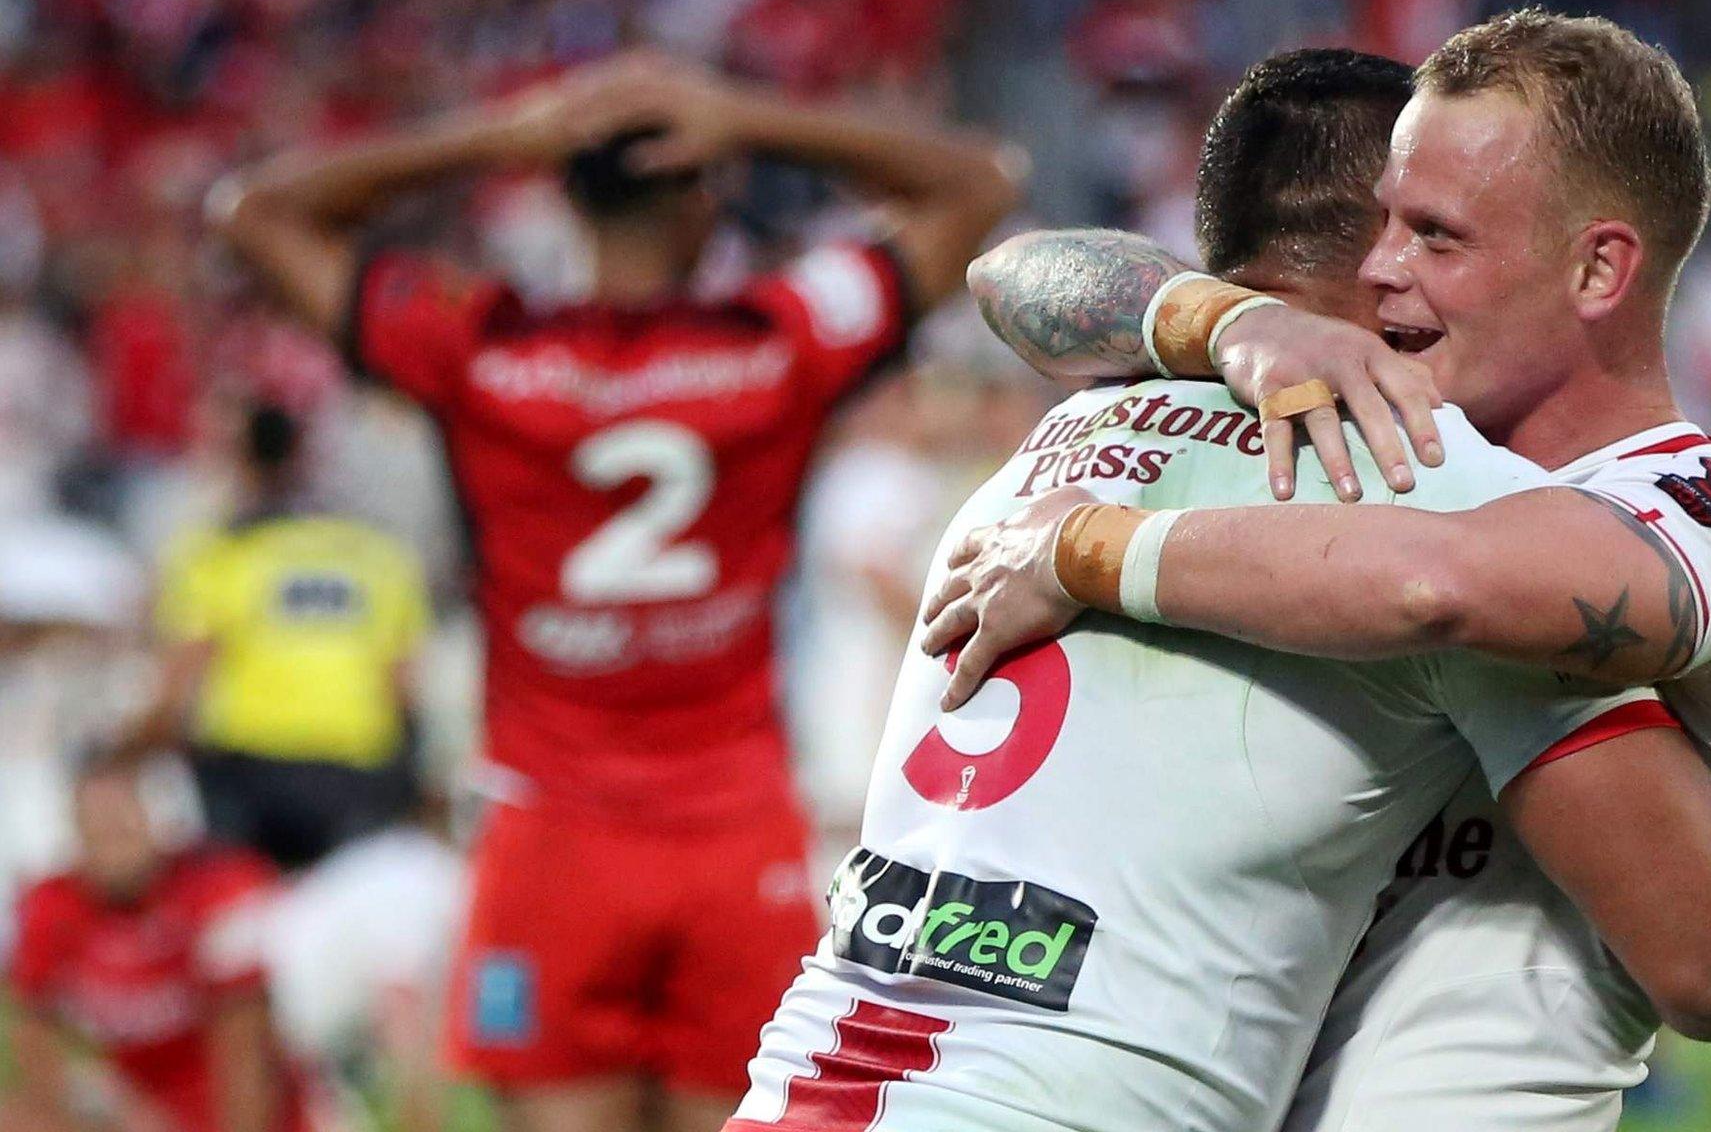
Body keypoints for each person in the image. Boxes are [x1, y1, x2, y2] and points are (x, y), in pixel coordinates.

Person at [933, 20, 1711, 1131]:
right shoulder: (1367, 469)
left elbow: (1438, 585)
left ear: (1597, 267)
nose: (1377, 268)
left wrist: (1089, 549)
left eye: (1435, 236)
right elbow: (1007, 274)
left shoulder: (1710, 510)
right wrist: (1230, 319)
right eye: (1384, 222)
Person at [210, 55, 1021, 1132]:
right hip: (730, 828)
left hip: (551, 839)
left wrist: (492, 135)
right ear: (700, 197)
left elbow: (255, 210)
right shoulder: (778, 343)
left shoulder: (478, 347)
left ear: (561, 192)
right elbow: (978, 184)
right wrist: (745, 112)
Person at [724, 367, 1711, 1132]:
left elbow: (1013, 263)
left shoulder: (1062, 427)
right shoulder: (1429, 503)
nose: (1402, 271)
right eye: (1403, 230)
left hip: (799, 1082)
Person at [128, 402, 431, 873]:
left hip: (252, 776)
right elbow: (407, 690)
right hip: (358, 776)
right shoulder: (378, 555)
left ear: (239, 464)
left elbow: (179, 687)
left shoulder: (218, 555)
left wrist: (126, 749)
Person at [3, 753, 314, 1132]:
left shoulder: (217, 892)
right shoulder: (53, 906)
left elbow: (245, 1055)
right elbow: (35, 1040)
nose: (109, 843)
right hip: (140, 1105)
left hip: (230, 1107)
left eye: (121, 824)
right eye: (94, 827)